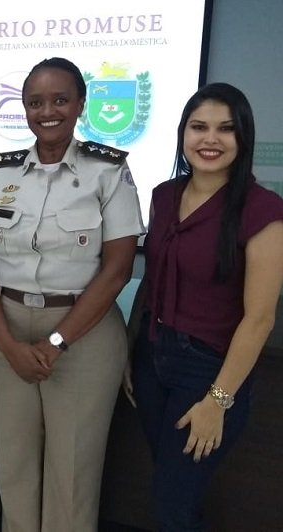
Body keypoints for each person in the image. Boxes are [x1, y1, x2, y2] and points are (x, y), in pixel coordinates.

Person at [0, 57, 145, 532]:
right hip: (4, 327)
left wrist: (56, 343)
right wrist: (8, 344)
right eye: (35, 102)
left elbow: (118, 270)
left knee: (73, 471)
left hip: (84, 334)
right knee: (14, 462)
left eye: (60, 100)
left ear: (81, 104)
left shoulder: (108, 171)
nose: (47, 111)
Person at [123, 82, 283, 531]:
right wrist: (129, 350)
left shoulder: (264, 209)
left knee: (172, 504)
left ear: (243, 137)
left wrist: (218, 401)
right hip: (153, 358)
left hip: (208, 371)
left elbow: (259, 319)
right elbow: (152, 279)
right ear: (183, 134)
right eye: (199, 127)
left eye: (226, 129)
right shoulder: (164, 195)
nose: (210, 139)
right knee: (173, 491)